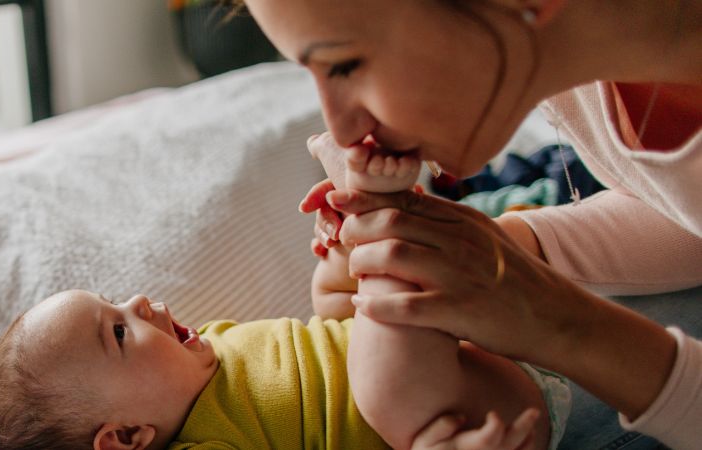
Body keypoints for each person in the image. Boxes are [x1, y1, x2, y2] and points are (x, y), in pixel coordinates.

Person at [239, 0, 702, 448]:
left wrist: (561, 322)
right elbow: (684, 207)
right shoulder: (569, 59)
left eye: (345, 65)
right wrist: (505, 250)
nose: (340, 128)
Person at [0, 155, 564, 450]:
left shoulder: (217, 345)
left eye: (116, 302)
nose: (141, 303)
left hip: (481, 354)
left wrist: (337, 266)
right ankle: (388, 217)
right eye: (120, 332)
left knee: (339, 291)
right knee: (382, 375)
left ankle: (375, 237)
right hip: (463, 421)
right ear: (127, 438)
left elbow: (325, 334)